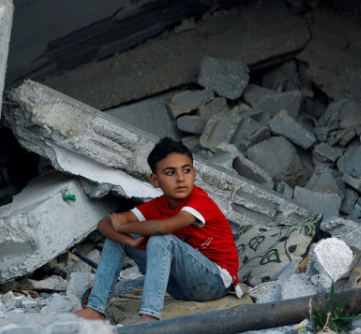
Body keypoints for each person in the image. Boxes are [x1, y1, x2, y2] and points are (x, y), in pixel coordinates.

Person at [74, 137, 238, 323]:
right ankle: (96, 308)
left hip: (214, 283)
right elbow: (104, 224)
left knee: (161, 239)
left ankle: (150, 315)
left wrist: (124, 226)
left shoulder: (199, 200)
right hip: (179, 286)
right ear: (155, 180)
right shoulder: (157, 205)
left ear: (194, 174)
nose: (180, 179)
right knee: (117, 236)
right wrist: (130, 240)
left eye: (186, 170)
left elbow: (164, 227)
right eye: (170, 172)